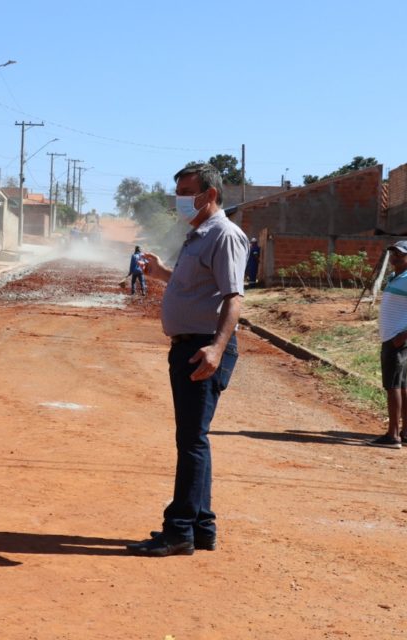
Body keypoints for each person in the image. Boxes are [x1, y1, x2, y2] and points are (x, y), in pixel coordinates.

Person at [126, 163, 248, 557]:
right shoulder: (199, 235)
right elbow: (197, 286)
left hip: (202, 347)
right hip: (188, 344)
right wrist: (162, 272)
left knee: (191, 440)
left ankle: (178, 530)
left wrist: (215, 347)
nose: (179, 198)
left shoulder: (225, 235)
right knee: (196, 439)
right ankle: (201, 525)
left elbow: (234, 297)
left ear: (209, 194)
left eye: (186, 190)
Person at [367, 240, 407, 449]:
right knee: (402, 385)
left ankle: (393, 434)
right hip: (392, 338)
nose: (395, 256)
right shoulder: (394, 277)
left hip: (398, 340)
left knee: (392, 386)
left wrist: (403, 335)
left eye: (400, 254)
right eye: (393, 252)